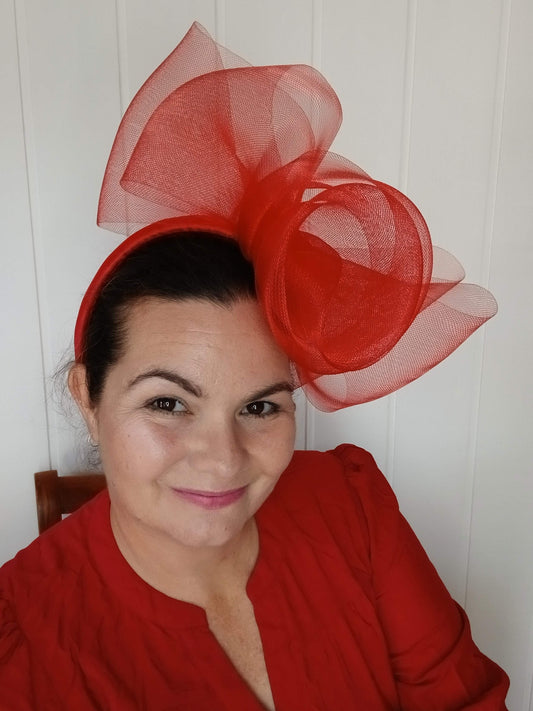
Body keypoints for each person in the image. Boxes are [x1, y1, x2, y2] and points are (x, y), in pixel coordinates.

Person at [0, 22, 508, 710]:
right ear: (88, 395)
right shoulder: (22, 640)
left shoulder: (351, 505)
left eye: (260, 405)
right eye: (168, 403)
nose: (221, 460)